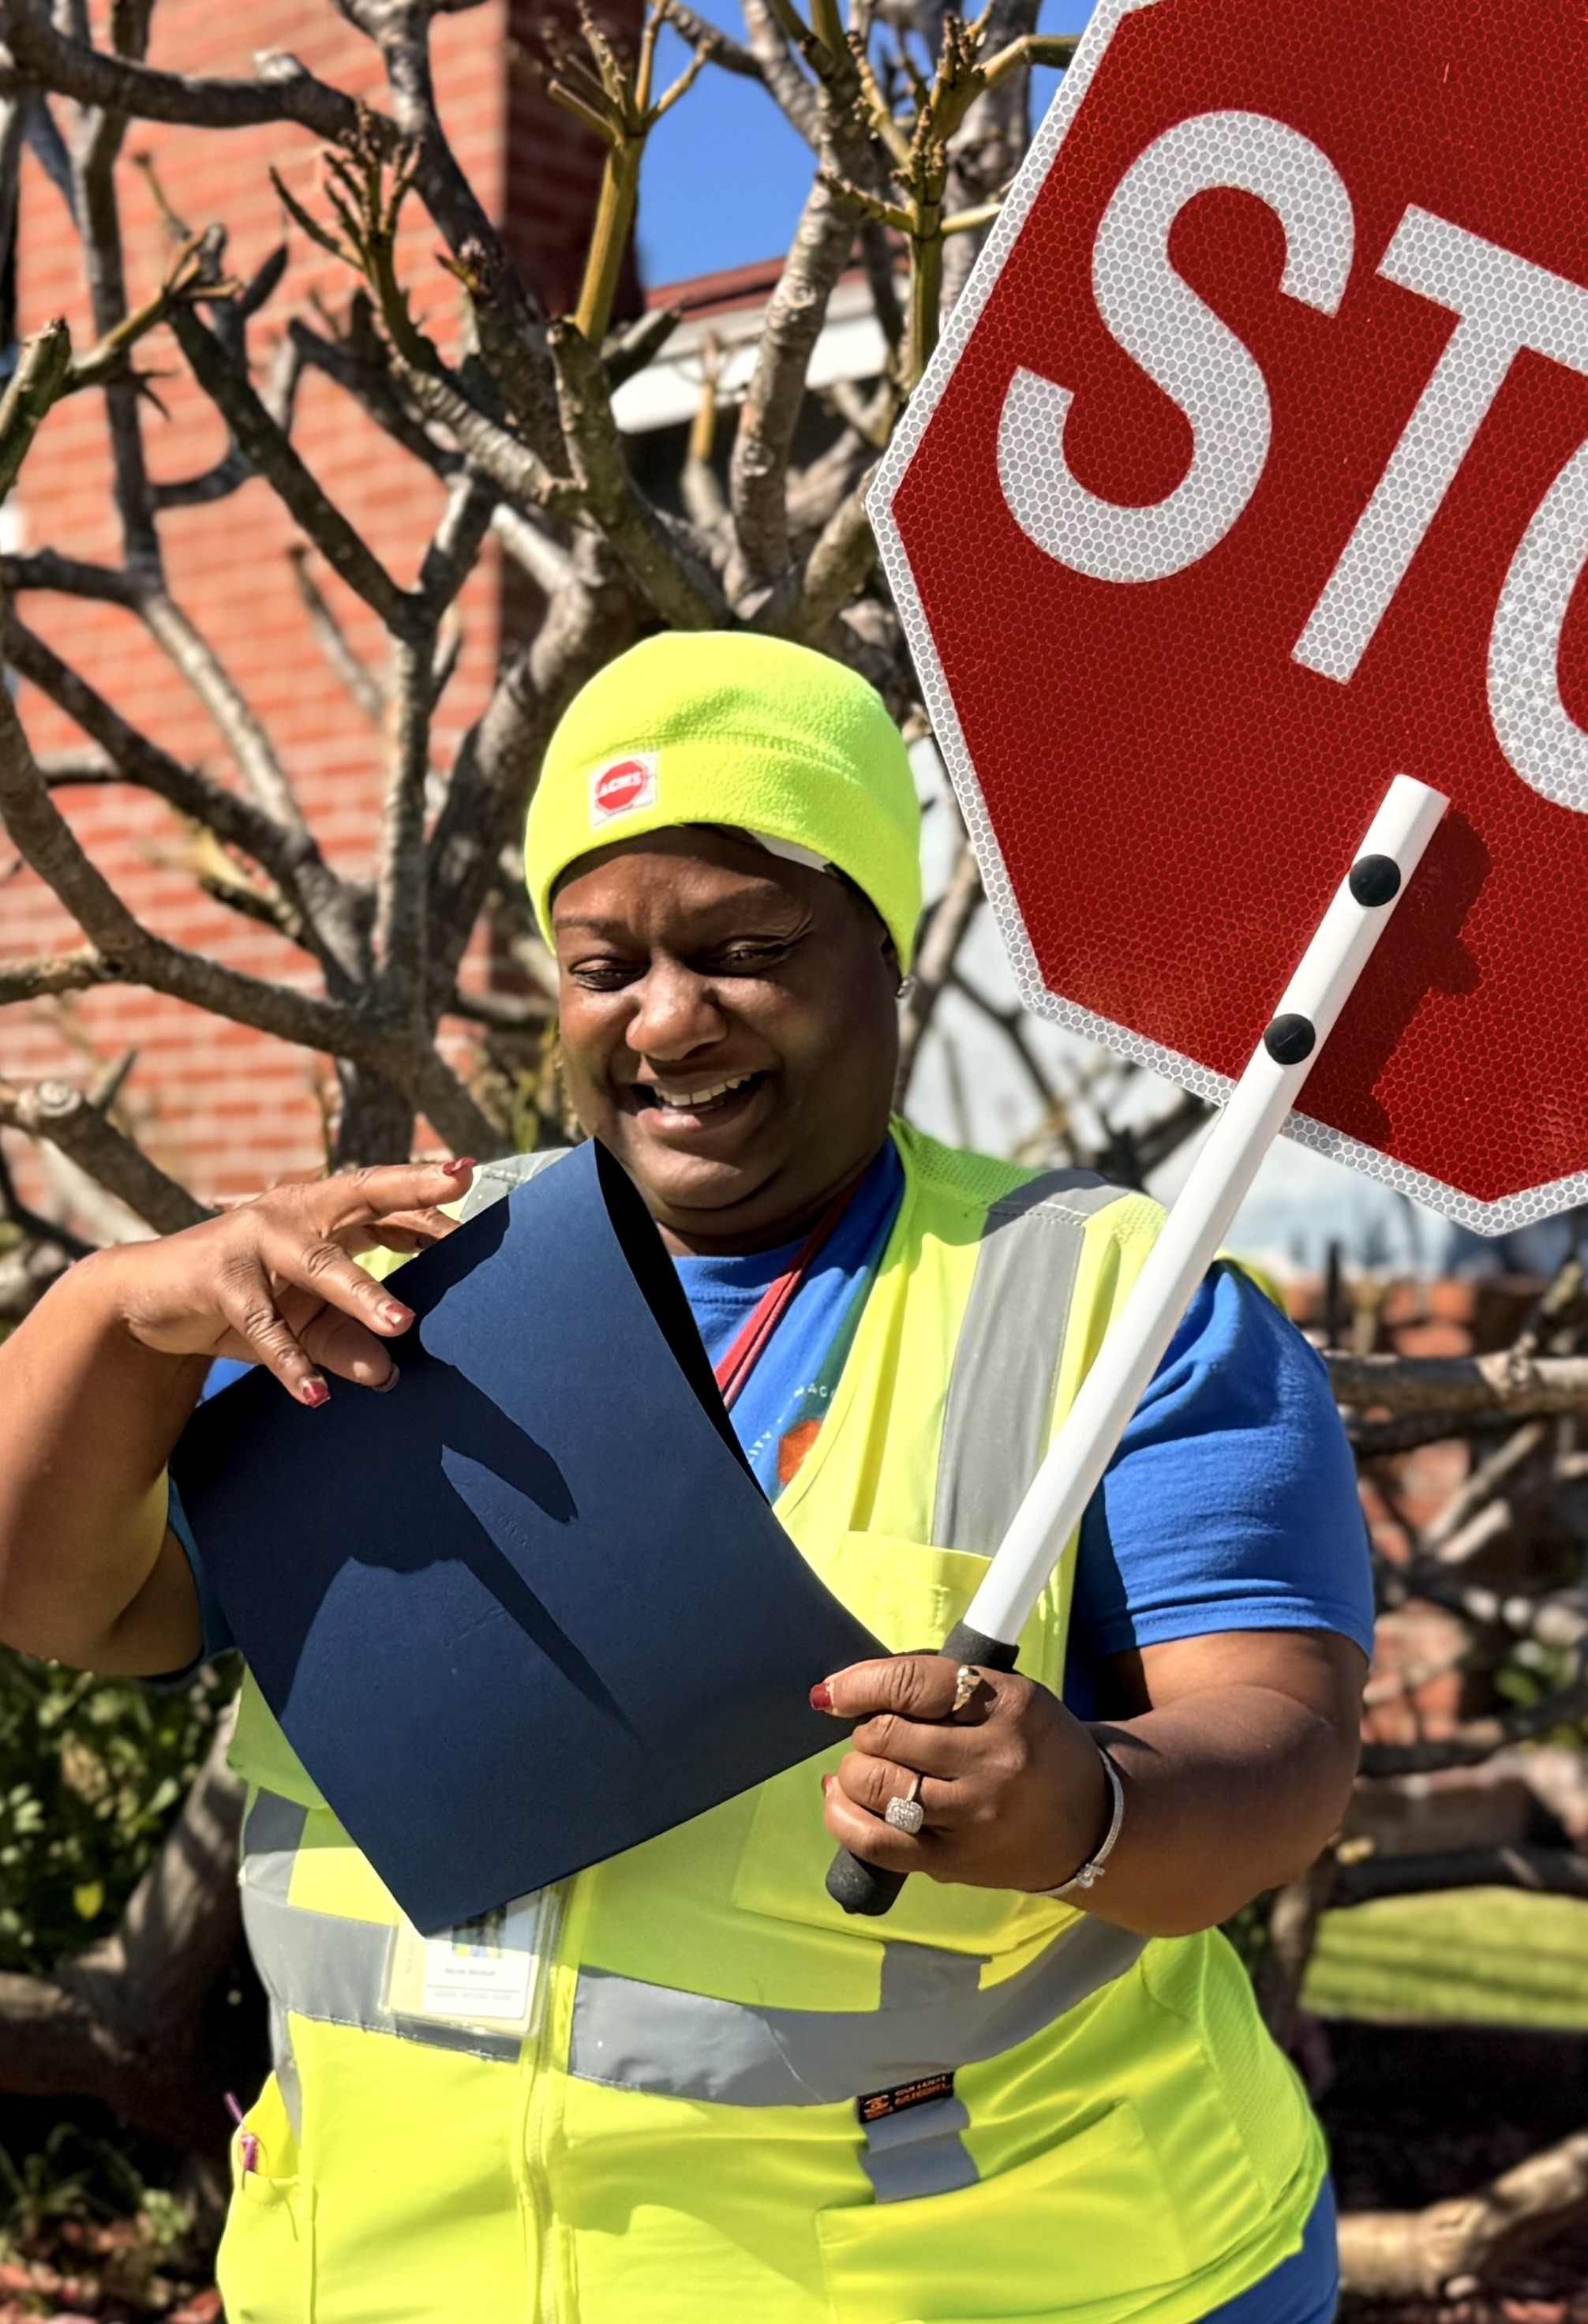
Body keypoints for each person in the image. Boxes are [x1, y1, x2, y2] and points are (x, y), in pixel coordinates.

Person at [0, 632, 1371, 2324]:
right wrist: (105, 1319)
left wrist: (1082, 1804)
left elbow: (1283, 1753)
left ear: (884, 945)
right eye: (604, 961)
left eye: (747, 948)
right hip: (388, 2274)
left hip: (1011, 2278)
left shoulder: (1115, 1301)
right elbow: (72, 1600)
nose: (665, 1015)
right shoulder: (395, 1272)